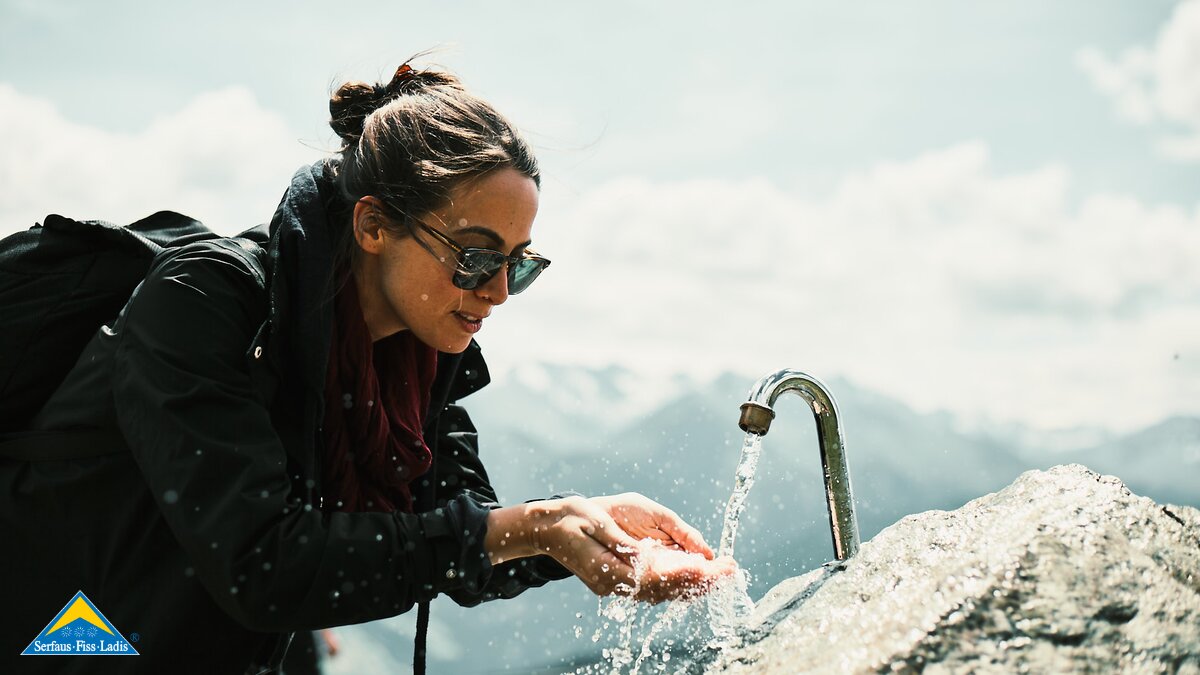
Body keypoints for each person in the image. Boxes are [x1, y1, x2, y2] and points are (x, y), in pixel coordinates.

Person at [0, 58, 733, 674]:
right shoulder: (202, 305)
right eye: (476, 256)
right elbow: (263, 561)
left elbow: (463, 537)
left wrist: (587, 530)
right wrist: (536, 527)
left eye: (520, 264)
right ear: (374, 224)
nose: (499, 292)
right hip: (61, 631)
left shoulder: (411, 366)